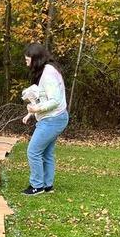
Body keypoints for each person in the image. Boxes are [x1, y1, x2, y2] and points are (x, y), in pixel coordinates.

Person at [21, 43, 69, 196]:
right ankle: (47, 185)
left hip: (53, 119)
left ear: (36, 59)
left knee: (33, 151)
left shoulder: (48, 75)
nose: (26, 63)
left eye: (28, 60)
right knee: (47, 153)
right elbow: (44, 97)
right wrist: (31, 113)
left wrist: (36, 109)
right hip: (55, 118)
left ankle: (37, 186)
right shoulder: (47, 70)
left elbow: (54, 101)